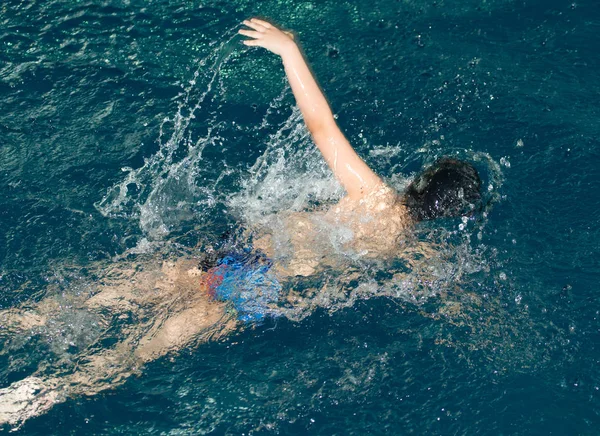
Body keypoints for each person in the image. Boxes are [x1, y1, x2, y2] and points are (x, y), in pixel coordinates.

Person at [0, 18, 482, 428]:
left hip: (238, 251)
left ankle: (14, 322)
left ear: (419, 181)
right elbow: (447, 296)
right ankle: (37, 394)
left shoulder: (372, 193)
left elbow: (321, 124)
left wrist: (290, 50)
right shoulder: (416, 250)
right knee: (133, 354)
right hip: (257, 286)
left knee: (106, 295)